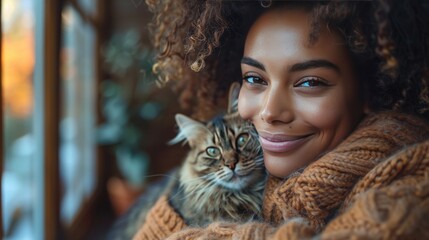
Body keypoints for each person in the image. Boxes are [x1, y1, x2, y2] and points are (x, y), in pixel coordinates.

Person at [130, 0, 429, 239]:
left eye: (309, 82)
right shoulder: (257, 182)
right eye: (254, 78)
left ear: (369, 91)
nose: (270, 112)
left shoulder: (413, 185)